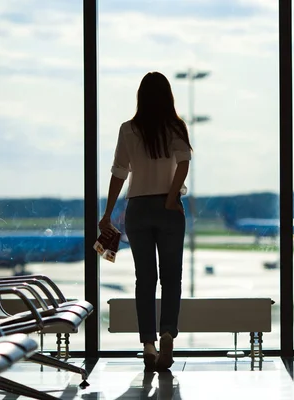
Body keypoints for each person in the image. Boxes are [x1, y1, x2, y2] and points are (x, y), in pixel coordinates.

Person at [99, 71, 192, 372]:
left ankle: (149, 345)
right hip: (168, 206)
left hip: (137, 208)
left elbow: (118, 172)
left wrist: (107, 213)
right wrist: (170, 198)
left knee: (145, 280)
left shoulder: (128, 129)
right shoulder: (175, 127)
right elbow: (184, 163)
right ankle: (167, 333)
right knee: (171, 278)